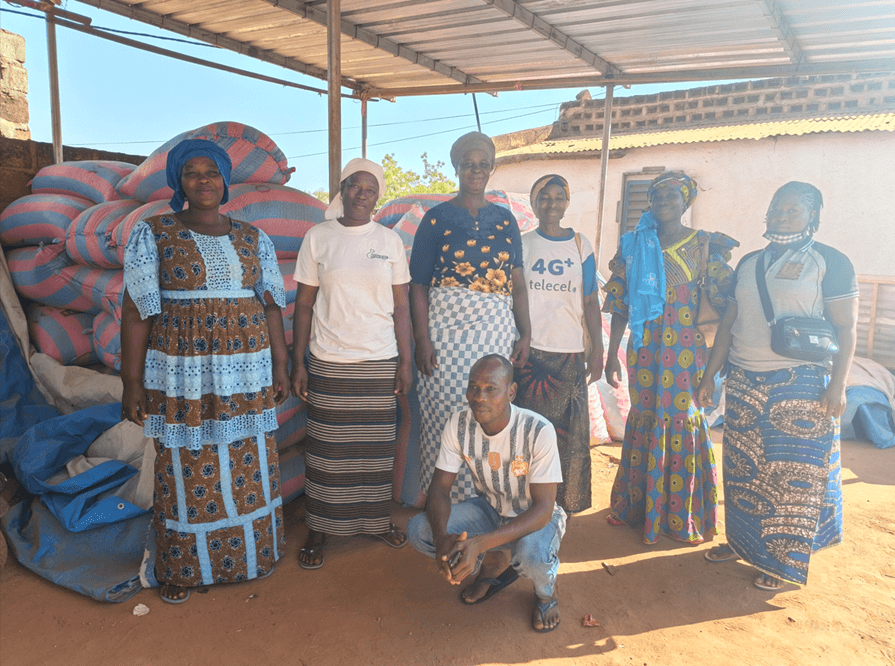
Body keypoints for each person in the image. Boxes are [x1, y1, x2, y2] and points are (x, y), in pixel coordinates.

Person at [121, 139, 290, 604]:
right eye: (192, 173)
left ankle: (252, 557)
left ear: (225, 180)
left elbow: (272, 306)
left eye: (211, 172)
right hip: (183, 374)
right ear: (179, 182)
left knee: (246, 457)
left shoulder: (254, 238)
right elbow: (137, 309)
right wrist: (131, 381)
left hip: (246, 372)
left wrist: (281, 363)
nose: (203, 181)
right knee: (183, 462)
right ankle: (182, 567)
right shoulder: (153, 232)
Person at [696, 181, 857, 591]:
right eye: (775, 209)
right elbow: (729, 324)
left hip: (800, 383)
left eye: (793, 211)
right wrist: (710, 374)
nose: (781, 216)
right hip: (745, 379)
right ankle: (743, 543)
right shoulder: (749, 262)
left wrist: (838, 386)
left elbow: (846, 327)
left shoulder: (830, 262)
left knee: (790, 476)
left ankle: (781, 562)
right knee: (743, 471)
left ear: (812, 217)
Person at [602, 171, 738, 545]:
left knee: (681, 419)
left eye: (672, 197)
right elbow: (619, 305)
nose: (664, 203)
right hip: (644, 350)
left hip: (684, 352)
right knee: (644, 416)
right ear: (650, 202)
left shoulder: (704, 245)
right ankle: (636, 507)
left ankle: (680, 514)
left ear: (685, 202)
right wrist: (611, 354)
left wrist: (712, 369)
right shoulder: (633, 245)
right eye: (657, 196)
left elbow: (730, 305)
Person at [291, 158, 413, 570]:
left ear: (379, 197)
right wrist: (299, 362)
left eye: (371, 189)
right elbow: (303, 305)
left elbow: (401, 309)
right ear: (342, 190)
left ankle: (375, 522)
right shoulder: (318, 238)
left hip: (379, 362)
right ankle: (319, 528)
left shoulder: (390, 241)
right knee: (327, 451)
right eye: (356, 187)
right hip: (329, 361)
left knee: (374, 451)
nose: (363, 194)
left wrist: (406, 363)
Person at [410, 131, 531, 503]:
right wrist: (422, 341)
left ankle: (489, 503)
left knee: (490, 414)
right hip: (444, 332)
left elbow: (517, 283)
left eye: (482, 165)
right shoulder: (435, 219)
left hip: (494, 330)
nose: (475, 171)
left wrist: (525, 334)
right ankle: (443, 508)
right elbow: (417, 286)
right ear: (457, 168)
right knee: (446, 414)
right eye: (468, 164)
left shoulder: (505, 220)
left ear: (491, 170)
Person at [407, 355, 566, 633]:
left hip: (535, 518)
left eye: (491, 389)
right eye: (473, 387)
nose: (479, 397)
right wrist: (442, 538)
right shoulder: (457, 425)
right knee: (420, 529)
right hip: (491, 510)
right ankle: (490, 564)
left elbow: (542, 510)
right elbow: (439, 490)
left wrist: (479, 543)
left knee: (532, 555)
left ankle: (545, 591)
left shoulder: (537, 430)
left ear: (511, 392)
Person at [514, 174, 604, 514]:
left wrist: (597, 349)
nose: (552, 203)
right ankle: (523, 501)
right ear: (534, 203)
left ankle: (563, 504)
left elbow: (591, 300)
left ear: (567, 202)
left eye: (558, 197)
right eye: (544, 197)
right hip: (529, 354)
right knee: (526, 432)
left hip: (568, 353)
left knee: (565, 436)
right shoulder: (521, 243)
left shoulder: (581, 245)